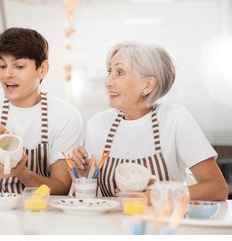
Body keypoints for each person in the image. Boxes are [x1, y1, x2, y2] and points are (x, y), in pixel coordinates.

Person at [71, 41, 228, 201]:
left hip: (164, 223)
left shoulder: (175, 119)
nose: (108, 82)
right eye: (109, 71)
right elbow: (88, 201)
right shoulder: (97, 124)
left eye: (120, 72)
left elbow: (217, 188)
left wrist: (153, 197)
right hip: (111, 224)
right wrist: (84, 176)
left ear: (147, 85)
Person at [0, 27, 83, 195]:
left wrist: (21, 172)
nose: (7, 74)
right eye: (2, 65)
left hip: (40, 215)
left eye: (19, 66)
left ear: (42, 69)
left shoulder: (66, 116)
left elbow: (62, 187)